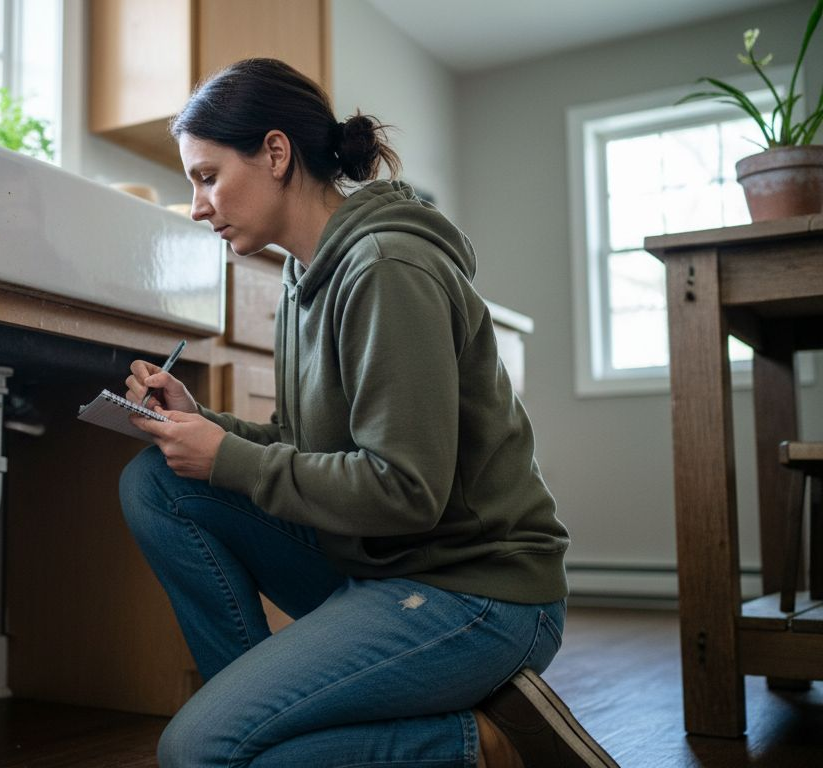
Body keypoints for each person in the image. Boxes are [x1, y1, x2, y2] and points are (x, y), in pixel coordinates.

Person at [118, 58, 617, 768]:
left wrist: (226, 456)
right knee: (157, 482)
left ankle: (487, 744)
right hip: (380, 563)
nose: (198, 204)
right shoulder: (304, 272)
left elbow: (405, 489)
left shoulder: (386, 266)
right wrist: (206, 426)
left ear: (276, 153)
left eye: (206, 176)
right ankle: (255, 721)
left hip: (477, 592)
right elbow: (307, 446)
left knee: (199, 753)